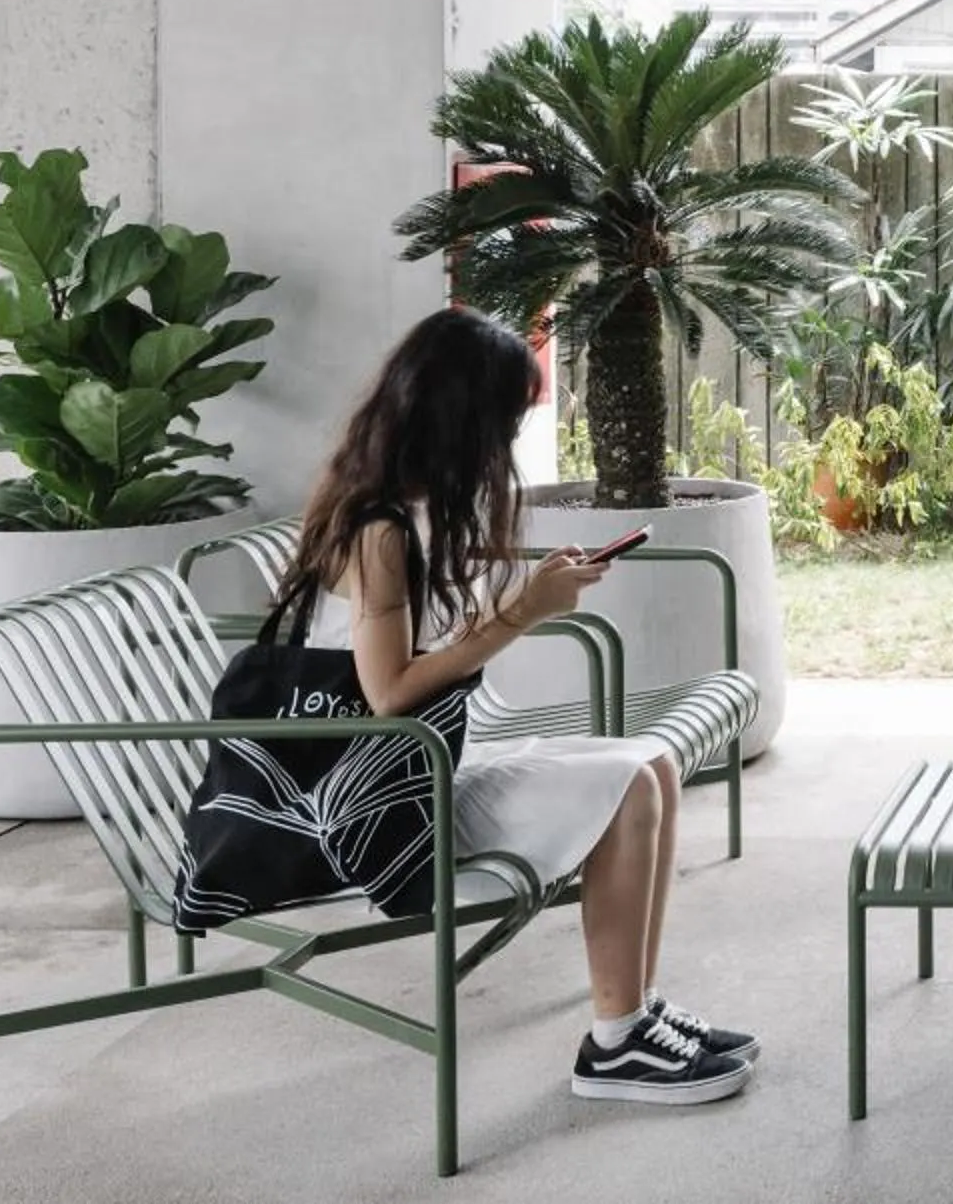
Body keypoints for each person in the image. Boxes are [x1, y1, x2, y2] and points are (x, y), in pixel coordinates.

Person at [268, 308, 757, 1105]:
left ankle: (630, 1017)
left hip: (420, 768)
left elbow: (399, 667)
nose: (507, 444)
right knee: (632, 785)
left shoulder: (402, 509)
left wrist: (515, 601)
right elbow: (388, 695)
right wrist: (525, 611)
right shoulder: (379, 531)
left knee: (656, 764)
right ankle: (615, 1046)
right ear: (460, 419)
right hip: (376, 808)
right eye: (504, 422)